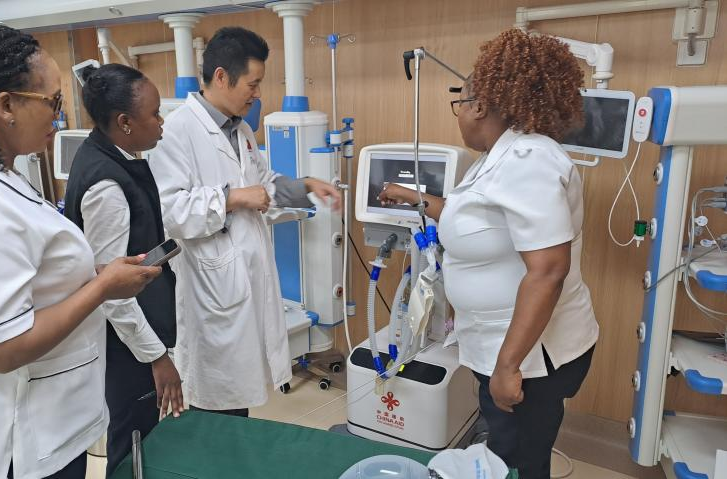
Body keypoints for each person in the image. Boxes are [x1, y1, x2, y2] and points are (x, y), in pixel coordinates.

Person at [0, 22, 161, 479]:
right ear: (6, 106)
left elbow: (21, 268)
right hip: (8, 439)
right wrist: (101, 288)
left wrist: (92, 275)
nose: (58, 118)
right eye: (52, 102)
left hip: (35, 417)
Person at [378, 29, 598, 479]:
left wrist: (507, 366)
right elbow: (478, 221)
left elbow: (548, 271)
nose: (458, 114)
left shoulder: (527, 160)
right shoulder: (498, 157)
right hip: (500, 346)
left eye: (459, 103)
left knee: (519, 463)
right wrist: (416, 198)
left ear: (479, 106)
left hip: (529, 357)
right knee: (504, 448)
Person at [148, 26, 342, 417]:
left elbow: (263, 183)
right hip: (209, 287)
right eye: (252, 84)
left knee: (241, 399)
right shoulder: (176, 132)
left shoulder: (241, 130)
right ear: (221, 77)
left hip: (244, 279)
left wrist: (305, 185)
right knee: (215, 404)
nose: (257, 94)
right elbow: (171, 211)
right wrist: (232, 198)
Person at [63, 63, 183, 476]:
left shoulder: (110, 156)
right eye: (154, 113)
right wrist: (156, 357)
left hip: (132, 336)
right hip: (124, 345)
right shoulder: (107, 187)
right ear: (124, 122)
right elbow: (110, 291)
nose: (161, 121)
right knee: (132, 441)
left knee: (142, 438)